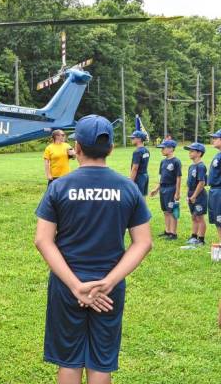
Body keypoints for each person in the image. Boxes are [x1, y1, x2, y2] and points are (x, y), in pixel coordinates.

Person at [34, 114, 152, 384]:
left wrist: (76, 286)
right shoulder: (128, 188)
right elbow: (143, 242)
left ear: (77, 149)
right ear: (110, 149)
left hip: (67, 286)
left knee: (69, 361)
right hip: (109, 289)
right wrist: (109, 282)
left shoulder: (59, 187)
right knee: (101, 362)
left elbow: (42, 240)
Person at [149, 139, 182, 240]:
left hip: (171, 189)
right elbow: (161, 177)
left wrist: (177, 192)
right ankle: (167, 231)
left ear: (171, 149)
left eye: (163, 148)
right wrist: (156, 189)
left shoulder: (176, 161)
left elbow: (178, 178)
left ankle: (173, 233)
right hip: (163, 189)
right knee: (166, 211)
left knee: (172, 211)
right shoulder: (163, 162)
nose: (161, 150)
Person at [184, 143, 207, 247]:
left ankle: (201, 239)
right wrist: (187, 194)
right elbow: (189, 183)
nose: (190, 153)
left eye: (192, 151)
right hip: (191, 193)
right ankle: (194, 236)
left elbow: (201, 183)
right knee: (194, 216)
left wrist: (194, 196)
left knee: (199, 217)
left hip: (199, 195)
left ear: (199, 153)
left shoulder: (201, 166)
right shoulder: (191, 166)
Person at [208, 130, 221, 242]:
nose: (213, 140)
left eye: (216, 138)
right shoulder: (218, 154)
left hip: (219, 190)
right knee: (217, 219)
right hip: (214, 190)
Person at [128, 130, 150, 197]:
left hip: (139, 177)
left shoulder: (137, 152)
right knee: (143, 197)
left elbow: (135, 168)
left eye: (133, 138)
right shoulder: (146, 150)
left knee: (137, 197)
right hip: (145, 176)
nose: (131, 139)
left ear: (139, 139)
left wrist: (131, 181)